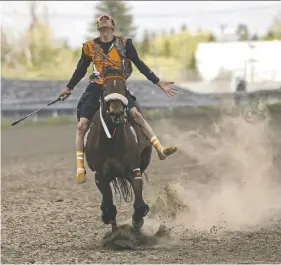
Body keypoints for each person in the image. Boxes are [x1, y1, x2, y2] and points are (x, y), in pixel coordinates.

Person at [59, 14, 178, 184]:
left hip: (117, 87)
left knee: (137, 115)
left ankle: (160, 149)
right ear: (98, 27)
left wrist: (158, 82)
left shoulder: (125, 44)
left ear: (113, 27)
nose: (104, 23)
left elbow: (139, 63)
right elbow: (80, 69)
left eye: (107, 22)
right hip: (96, 88)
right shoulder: (89, 47)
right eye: (101, 22)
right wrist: (68, 88)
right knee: (81, 125)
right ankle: (80, 168)